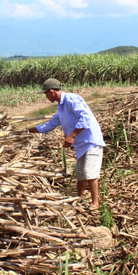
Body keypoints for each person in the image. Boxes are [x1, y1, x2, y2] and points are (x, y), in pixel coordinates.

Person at [28, 78, 105, 208]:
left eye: (46, 93)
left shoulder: (71, 99)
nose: (46, 97)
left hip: (91, 141)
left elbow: (85, 117)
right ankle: (80, 198)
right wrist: (29, 130)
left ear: (52, 91)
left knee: (89, 172)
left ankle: (95, 203)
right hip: (81, 145)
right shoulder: (60, 108)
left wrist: (72, 136)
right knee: (80, 173)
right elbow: (50, 125)